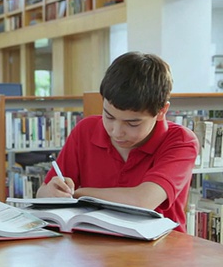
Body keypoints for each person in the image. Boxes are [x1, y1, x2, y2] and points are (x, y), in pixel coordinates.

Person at [36, 51, 199, 232]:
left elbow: (143, 201)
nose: (116, 131)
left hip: (159, 251)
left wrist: (78, 195)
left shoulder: (181, 141)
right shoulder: (86, 130)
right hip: (93, 248)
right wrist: (52, 192)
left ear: (162, 111)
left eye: (132, 123)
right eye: (109, 116)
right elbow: (42, 193)